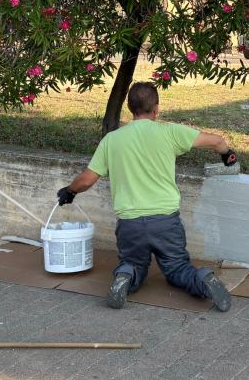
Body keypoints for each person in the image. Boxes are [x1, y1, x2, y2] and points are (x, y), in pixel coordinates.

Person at [57, 82, 236, 311]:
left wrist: (69, 191)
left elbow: (87, 180)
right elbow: (217, 141)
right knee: (177, 268)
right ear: (156, 109)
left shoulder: (112, 140)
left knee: (134, 264)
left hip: (130, 223)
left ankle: (125, 275)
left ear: (130, 108)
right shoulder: (170, 132)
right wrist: (227, 155)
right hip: (166, 222)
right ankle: (203, 281)